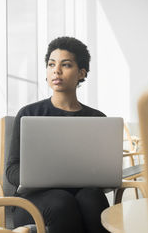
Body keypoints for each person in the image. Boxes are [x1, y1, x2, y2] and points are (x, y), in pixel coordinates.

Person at [6, 36, 110, 233]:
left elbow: (104, 169)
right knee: (62, 201)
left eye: (66, 65)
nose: (56, 70)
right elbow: (11, 171)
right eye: (51, 64)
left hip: (82, 193)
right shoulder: (29, 114)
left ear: (81, 73)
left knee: (92, 198)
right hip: (33, 199)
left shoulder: (97, 118)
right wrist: (40, 176)